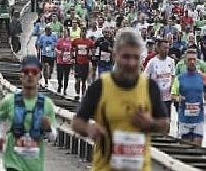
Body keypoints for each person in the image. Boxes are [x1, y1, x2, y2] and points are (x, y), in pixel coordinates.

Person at [72, 28, 168, 171]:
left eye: (136, 57)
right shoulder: (100, 86)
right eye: (126, 57)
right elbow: (77, 122)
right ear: (115, 56)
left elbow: (165, 124)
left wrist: (151, 123)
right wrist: (89, 129)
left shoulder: (149, 86)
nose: (131, 63)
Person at [0, 56, 57, 171]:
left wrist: (48, 128)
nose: (30, 75)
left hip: (35, 165)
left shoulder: (46, 104)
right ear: (21, 75)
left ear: (39, 76)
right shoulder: (10, 100)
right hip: (13, 163)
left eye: (34, 72)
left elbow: (53, 137)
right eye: (26, 71)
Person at [171, 49, 206, 145]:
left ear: (197, 61)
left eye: (194, 59)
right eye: (189, 60)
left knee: (198, 147)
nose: (192, 62)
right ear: (185, 61)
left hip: (198, 118)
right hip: (184, 119)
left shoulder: (203, 77)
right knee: (186, 147)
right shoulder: (179, 78)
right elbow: (172, 95)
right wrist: (178, 98)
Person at [144, 38, 175, 131]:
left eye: (167, 48)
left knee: (166, 122)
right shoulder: (152, 62)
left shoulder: (171, 61)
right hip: (155, 99)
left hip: (167, 98)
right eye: (164, 48)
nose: (166, 50)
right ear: (158, 48)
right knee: (155, 124)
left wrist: (172, 87)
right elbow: (145, 78)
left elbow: (173, 76)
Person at [71, 29, 93, 99]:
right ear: (80, 33)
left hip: (85, 63)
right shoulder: (76, 41)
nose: (83, 33)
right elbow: (72, 49)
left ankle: (83, 95)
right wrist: (72, 58)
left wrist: (91, 55)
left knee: (83, 81)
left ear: (86, 33)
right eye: (82, 32)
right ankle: (77, 93)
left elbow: (92, 50)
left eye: (84, 32)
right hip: (77, 63)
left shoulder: (89, 42)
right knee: (77, 80)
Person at [55, 29, 73, 95]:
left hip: (67, 61)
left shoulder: (71, 41)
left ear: (68, 33)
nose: (64, 33)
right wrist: (59, 52)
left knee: (66, 76)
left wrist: (72, 58)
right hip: (60, 61)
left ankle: (65, 89)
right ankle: (59, 85)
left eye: (65, 32)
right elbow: (56, 48)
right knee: (59, 75)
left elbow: (72, 50)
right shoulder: (59, 40)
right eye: (63, 32)